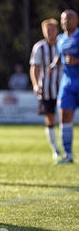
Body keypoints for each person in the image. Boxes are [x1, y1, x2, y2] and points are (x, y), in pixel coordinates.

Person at [48, 9, 79, 164]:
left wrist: (77, 61)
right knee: (64, 115)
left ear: (76, 21)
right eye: (63, 19)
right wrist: (54, 64)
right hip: (67, 83)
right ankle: (68, 154)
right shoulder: (60, 39)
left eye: (69, 19)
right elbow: (60, 56)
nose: (66, 21)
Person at [29, 19, 63, 160]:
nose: (50, 33)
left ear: (57, 30)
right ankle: (55, 148)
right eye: (47, 30)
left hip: (63, 87)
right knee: (50, 118)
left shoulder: (64, 43)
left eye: (52, 29)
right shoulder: (39, 47)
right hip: (47, 89)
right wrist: (36, 84)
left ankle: (66, 147)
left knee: (64, 117)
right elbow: (34, 67)